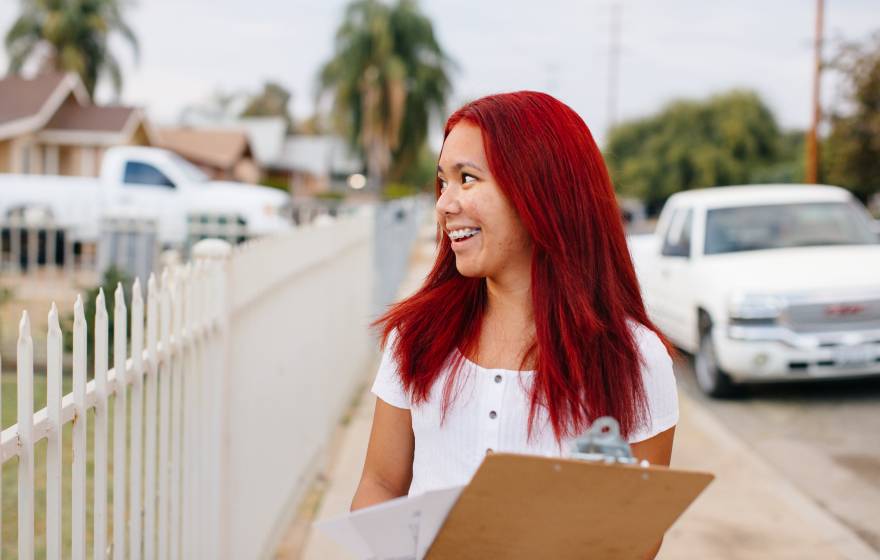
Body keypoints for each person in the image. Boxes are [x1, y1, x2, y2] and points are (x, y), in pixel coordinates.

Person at [352, 91, 678, 558]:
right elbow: (380, 484)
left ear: (540, 191)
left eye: (467, 178)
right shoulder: (415, 338)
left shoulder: (633, 358)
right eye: (442, 182)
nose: (444, 204)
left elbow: (634, 538)